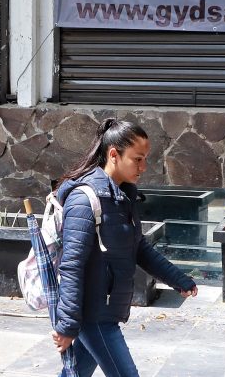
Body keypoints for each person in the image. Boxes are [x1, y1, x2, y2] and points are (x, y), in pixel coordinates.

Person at [52, 118, 198, 377]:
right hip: (93, 315)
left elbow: (138, 247)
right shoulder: (84, 200)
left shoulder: (121, 196)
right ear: (113, 155)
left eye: (145, 159)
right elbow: (71, 266)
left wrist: (178, 280)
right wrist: (67, 325)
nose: (143, 167)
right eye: (137, 159)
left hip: (105, 309)